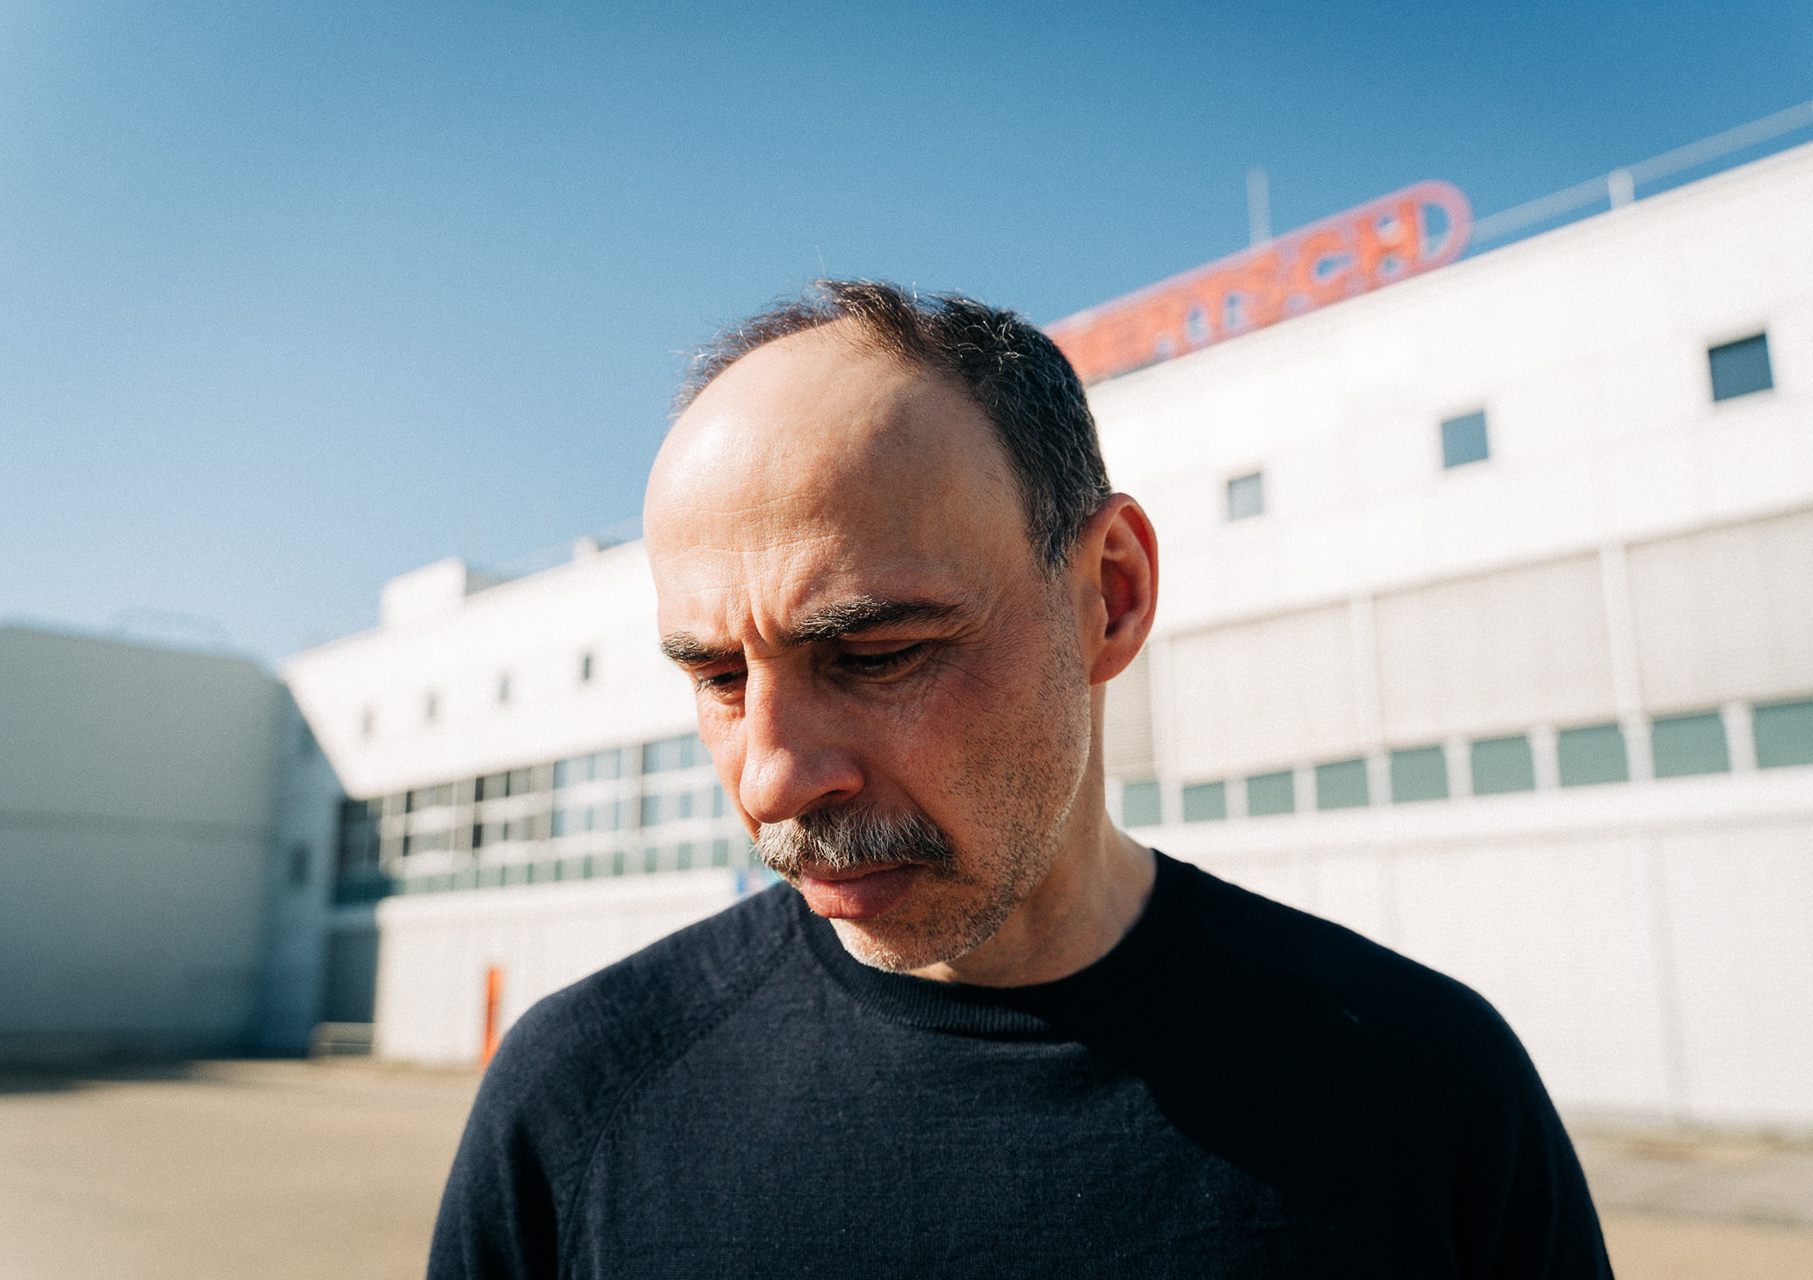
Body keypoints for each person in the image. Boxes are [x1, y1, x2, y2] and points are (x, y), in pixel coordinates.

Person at [428, 280, 1613, 1278]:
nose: (775, 780)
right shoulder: (574, 1107)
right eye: (720, 679)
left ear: (1112, 593)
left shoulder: (1424, 1095)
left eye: (879, 654)